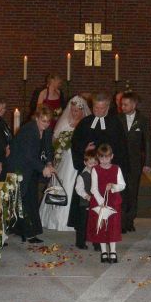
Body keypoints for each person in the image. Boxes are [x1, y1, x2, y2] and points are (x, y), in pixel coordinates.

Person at [40, 96, 91, 231]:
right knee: (60, 184)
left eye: (77, 111)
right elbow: (54, 140)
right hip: (64, 159)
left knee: (74, 184)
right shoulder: (64, 123)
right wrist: (60, 146)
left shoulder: (86, 123)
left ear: (82, 111)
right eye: (72, 110)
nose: (74, 113)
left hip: (77, 160)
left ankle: (72, 219)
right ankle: (55, 219)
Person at [7, 106, 55, 243]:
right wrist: (42, 168)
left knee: (31, 199)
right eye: (43, 121)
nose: (45, 124)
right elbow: (27, 155)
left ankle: (29, 232)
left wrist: (49, 163)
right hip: (19, 167)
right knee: (23, 199)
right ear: (37, 118)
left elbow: (47, 148)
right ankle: (26, 232)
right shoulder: (28, 130)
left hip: (31, 168)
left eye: (48, 121)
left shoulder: (46, 131)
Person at [117, 91, 151, 233]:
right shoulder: (117, 118)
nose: (122, 107)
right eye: (121, 104)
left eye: (125, 104)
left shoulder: (143, 120)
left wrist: (148, 162)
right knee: (121, 191)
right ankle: (121, 221)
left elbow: (147, 142)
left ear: (134, 104)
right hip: (120, 160)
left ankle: (130, 220)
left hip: (135, 161)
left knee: (133, 191)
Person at [71, 91, 129, 173]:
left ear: (107, 107)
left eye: (101, 108)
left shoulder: (115, 123)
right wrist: (84, 148)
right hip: (89, 166)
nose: (98, 111)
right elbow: (75, 141)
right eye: (96, 108)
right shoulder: (85, 122)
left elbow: (121, 147)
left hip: (109, 166)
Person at [87, 144, 126, 263]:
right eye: (101, 158)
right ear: (98, 158)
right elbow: (93, 188)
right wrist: (101, 201)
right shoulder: (95, 169)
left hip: (113, 202)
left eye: (107, 157)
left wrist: (113, 186)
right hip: (100, 202)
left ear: (112, 156)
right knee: (101, 226)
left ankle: (113, 251)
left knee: (113, 226)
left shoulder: (116, 169)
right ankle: (104, 251)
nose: (104, 160)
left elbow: (122, 185)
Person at [73, 149, 97, 249]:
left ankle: (97, 242)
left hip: (96, 203)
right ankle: (80, 242)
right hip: (85, 203)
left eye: (95, 163)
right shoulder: (82, 176)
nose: (93, 165)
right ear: (85, 163)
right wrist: (86, 196)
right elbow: (78, 188)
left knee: (96, 223)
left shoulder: (98, 174)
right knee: (83, 224)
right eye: (90, 163)